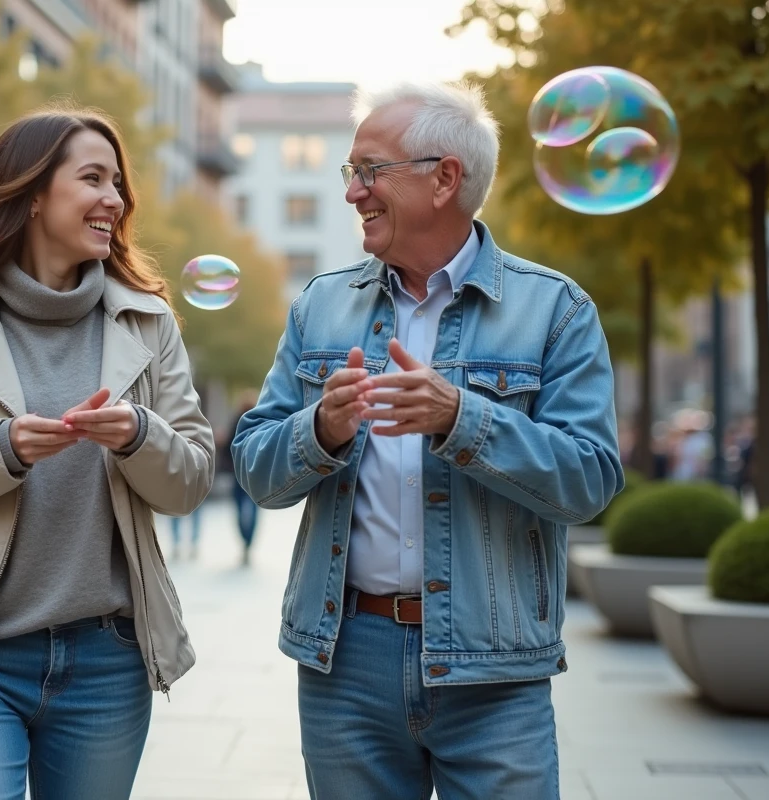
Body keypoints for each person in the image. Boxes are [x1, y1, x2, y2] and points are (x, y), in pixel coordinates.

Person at [231, 81, 622, 800]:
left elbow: (591, 480)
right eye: (352, 173)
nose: (354, 192)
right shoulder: (321, 303)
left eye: (369, 170)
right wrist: (320, 428)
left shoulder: (556, 310)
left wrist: (463, 418)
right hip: (345, 664)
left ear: (444, 177)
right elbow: (256, 469)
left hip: (494, 668)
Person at [0, 107, 214, 799]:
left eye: (118, 183)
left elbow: (189, 484)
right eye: (92, 178)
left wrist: (138, 435)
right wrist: (0, 449)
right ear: (32, 195)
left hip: (107, 662)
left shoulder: (148, 321)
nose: (115, 200)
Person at [228, 391, 260, 567]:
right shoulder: (245, 421)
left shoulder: (238, 422)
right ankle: (247, 541)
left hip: (242, 474)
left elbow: (228, 446)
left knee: (241, 510)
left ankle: (246, 541)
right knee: (250, 511)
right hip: (250, 474)